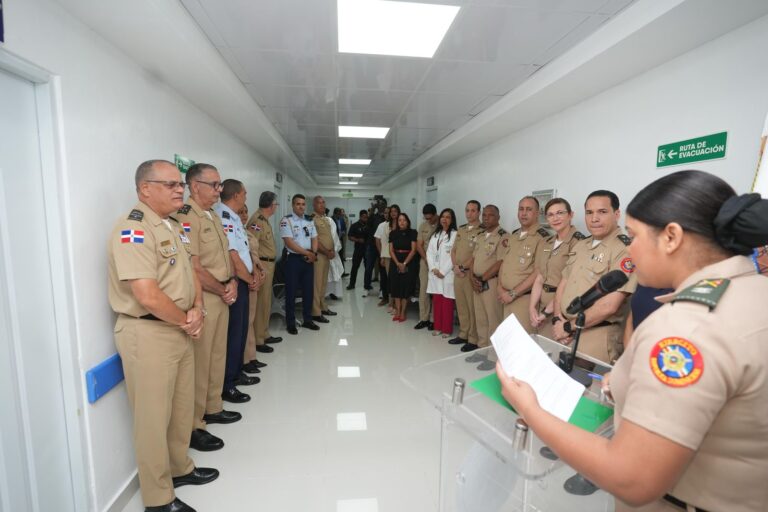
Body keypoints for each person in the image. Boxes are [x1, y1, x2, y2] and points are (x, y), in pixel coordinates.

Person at [496, 170, 768, 512]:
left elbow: (632, 478)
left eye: (635, 235)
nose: (632, 251)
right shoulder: (753, 289)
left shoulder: (685, 328)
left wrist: (531, 410)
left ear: (671, 237)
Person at [108, 160, 217, 512]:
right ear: (145, 189)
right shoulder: (134, 230)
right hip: (150, 333)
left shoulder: (174, 226)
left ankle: (178, 468)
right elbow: (147, 294)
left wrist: (198, 308)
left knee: (180, 411)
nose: (178, 189)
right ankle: (158, 499)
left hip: (180, 328)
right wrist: (187, 321)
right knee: (153, 420)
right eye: (169, 184)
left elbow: (191, 275)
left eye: (179, 184)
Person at [176, 163, 241, 454]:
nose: (219, 190)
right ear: (195, 185)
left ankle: (213, 406)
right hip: (207, 296)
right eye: (214, 185)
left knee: (217, 355)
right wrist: (222, 287)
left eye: (220, 185)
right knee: (200, 364)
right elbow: (195, 267)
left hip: (223, 292)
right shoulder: (186, 217)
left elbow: (225, 256)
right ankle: (195, 424)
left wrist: (233, 282)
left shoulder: (212, 216)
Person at [551, 190, 637, 364]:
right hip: (566, 330)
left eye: (602, 212)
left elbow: (610, 305)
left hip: (596, 335)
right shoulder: (582, 245)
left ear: (617, 214)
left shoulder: (625, 249)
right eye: (589, 213)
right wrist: (557, 319)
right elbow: (564, 282)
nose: (594, 218)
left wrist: (567, 327)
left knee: (589, 389)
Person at [214, 179, 257, 404]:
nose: (246, 197)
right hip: (236, 281)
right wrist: (248, 278)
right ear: (237, 195)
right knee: (233, 334)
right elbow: (232, 254)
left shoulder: (233, 216)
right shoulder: (223, 216)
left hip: (242, 279)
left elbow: (243, 249)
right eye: (245, 193)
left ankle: (236, 372)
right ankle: (228, 384)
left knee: (240, 331)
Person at [528, 198, 586, 339]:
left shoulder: (579, 243)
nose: (555, 218)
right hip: (542, 303)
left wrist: (546, 313)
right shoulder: (547, 242)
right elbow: (540, 278)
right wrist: (532, 308)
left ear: (570, 215)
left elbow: (568, 284)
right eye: (550, 214)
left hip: (561, 308)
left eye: (560, 213)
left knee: (556, 354)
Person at [497, 196, 549, 333]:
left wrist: (513, 293)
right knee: (508, 339)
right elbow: (504, 263)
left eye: (529, 209)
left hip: (524, 298)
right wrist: (499, 287)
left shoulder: (543, 237)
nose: (524, 213)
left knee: (522, 342)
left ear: (537, 213)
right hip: (505, 296)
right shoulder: (514, 235)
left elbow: (538, 272)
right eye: (521, 209)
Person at [244, 190, 282, 367]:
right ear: (271, 205)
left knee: (266, 302)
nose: (276, 207)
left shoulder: (264, 220)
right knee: (260, 304)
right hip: (263, 266)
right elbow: (252, 247)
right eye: (276, 204)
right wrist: (257, 269)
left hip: (269, 264)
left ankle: (264, 333)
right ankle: (258, 339)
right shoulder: (257, 221)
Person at [465, 205, 506, 363]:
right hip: (476, 282)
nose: (486, 218)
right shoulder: (481, 236)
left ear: (498, 217)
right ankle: (482, 350)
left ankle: (492, 355)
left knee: (493, 320)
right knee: (480, 318)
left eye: (491, 215)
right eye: (485, 215)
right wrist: (471, 277)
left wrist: (482, 279)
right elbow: (473, 259)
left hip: (490, 284)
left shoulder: (503, 236)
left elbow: (500, 262)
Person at [280, 194, 320, 335]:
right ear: (293, 205)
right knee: (291, 292)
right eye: (298, 204)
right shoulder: (287, 221)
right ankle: (291, 323)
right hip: (294, 260)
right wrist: (307, 253)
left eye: (303, 204)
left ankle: (307, 320)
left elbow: (314, 238)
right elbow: (289, 242)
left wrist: (313, 253)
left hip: (308, 260)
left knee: (308, 291)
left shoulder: (309, 220)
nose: (301, 206)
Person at [237, 204, 267, 374]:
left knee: (250, 319)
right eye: (240, 211)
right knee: (246, 321)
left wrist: (259, 269)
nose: (244, 215)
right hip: (245, 278)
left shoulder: (244, 231)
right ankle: (245, 360)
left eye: (245, 211)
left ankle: (251, 357)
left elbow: (253, 256)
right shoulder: (235, 231)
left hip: (253, 275)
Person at [449, 200, 483, 347]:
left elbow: (476, 255)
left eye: (473, 210)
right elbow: (453, 250)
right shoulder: (461, 229)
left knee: (472, 307)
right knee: (461, 305)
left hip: (469, 274)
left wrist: (462, 267)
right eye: (467, 210)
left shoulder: (482, 231)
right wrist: (456, 266)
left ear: (478, 212)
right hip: (458, 273)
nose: (469, 213)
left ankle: (473, 338)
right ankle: (463, 334)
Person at [427, 208, 457, 338]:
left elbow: (454, 256)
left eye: (448, 217)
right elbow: (429, 253)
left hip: (447, 274)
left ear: (452, 220)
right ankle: (437, 327)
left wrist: (443, 271)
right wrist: (433, 268)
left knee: (447, 302)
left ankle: (446, 329)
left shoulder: (456, 235)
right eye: (443, 217)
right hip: (435, 273)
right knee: (437, 301)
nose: (444, 219)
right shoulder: (435, 235)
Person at [310, 196, 337, 322]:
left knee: (323, 284)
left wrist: (331, 251)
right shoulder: (312, 219)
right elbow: (314, 240)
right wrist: (326, 251)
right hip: (319, 256)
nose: (322, 205)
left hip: (327, 255)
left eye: (323, 202)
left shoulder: (324, 219)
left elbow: (328, 237)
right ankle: (315, 312)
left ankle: (322, 306)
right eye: (319, 203)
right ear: (314, 205)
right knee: (317, 284)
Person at [388, 213, 418, 322]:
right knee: (395, 287)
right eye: (400, 220)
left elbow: (414, 250)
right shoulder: (393, 233)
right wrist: (398, 263)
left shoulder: (413, 232)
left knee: (405, 287)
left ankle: (403, 312)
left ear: (408, 221)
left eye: (404, 220)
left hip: (408, 261)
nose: (402, 222)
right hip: (395, 261)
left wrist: (404, 264)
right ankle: (397, 310)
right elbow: (391, 250)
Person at [415, 204, 439, 330]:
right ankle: (423, 318)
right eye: (426, 218)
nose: (428, 221)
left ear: (435, 214)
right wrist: (426, 260)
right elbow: (419, 245)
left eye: (430, 218)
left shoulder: (443, 224)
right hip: (425, 261)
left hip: (439, 263)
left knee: (436, 291)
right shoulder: (423, 226)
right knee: (423, 290)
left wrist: (433, 263)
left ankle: (434, 320)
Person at [374, 205, 399, 308]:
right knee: (387, 279)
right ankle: (388, 300)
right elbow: (380, 242)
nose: (392, 213)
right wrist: (382, 256)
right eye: (390, 212)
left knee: (397, 279)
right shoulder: (383, 226)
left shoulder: (401, 223)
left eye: (394, 211)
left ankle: (396, 302)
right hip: (387, 255)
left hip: (399, 256)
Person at [346, 209, 373, 291]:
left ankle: (367, 285)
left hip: (368, 250)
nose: (365, 219)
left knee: (368, 267)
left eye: (366, 217)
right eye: (364, 217)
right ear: (360, 216)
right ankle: (351, 284)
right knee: (355, 267)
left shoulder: (369, 225)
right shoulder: (354, 225)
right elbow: (350, 237)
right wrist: (358, 240)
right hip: (358, 249)